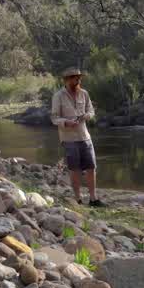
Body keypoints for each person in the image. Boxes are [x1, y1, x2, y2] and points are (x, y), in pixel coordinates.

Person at [51, 67, 104, 206]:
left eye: (79, 77)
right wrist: (66, 122)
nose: (78, 80)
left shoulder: (84, 93)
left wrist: (87, 116)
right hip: (69, 139)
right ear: (67, 80)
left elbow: (91, 110)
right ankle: (78, 199)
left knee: (91, 167)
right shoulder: (58, 96)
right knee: (74, 169)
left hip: (85, 136)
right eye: (75, 77)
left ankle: (93, 199)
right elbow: (54, 118)